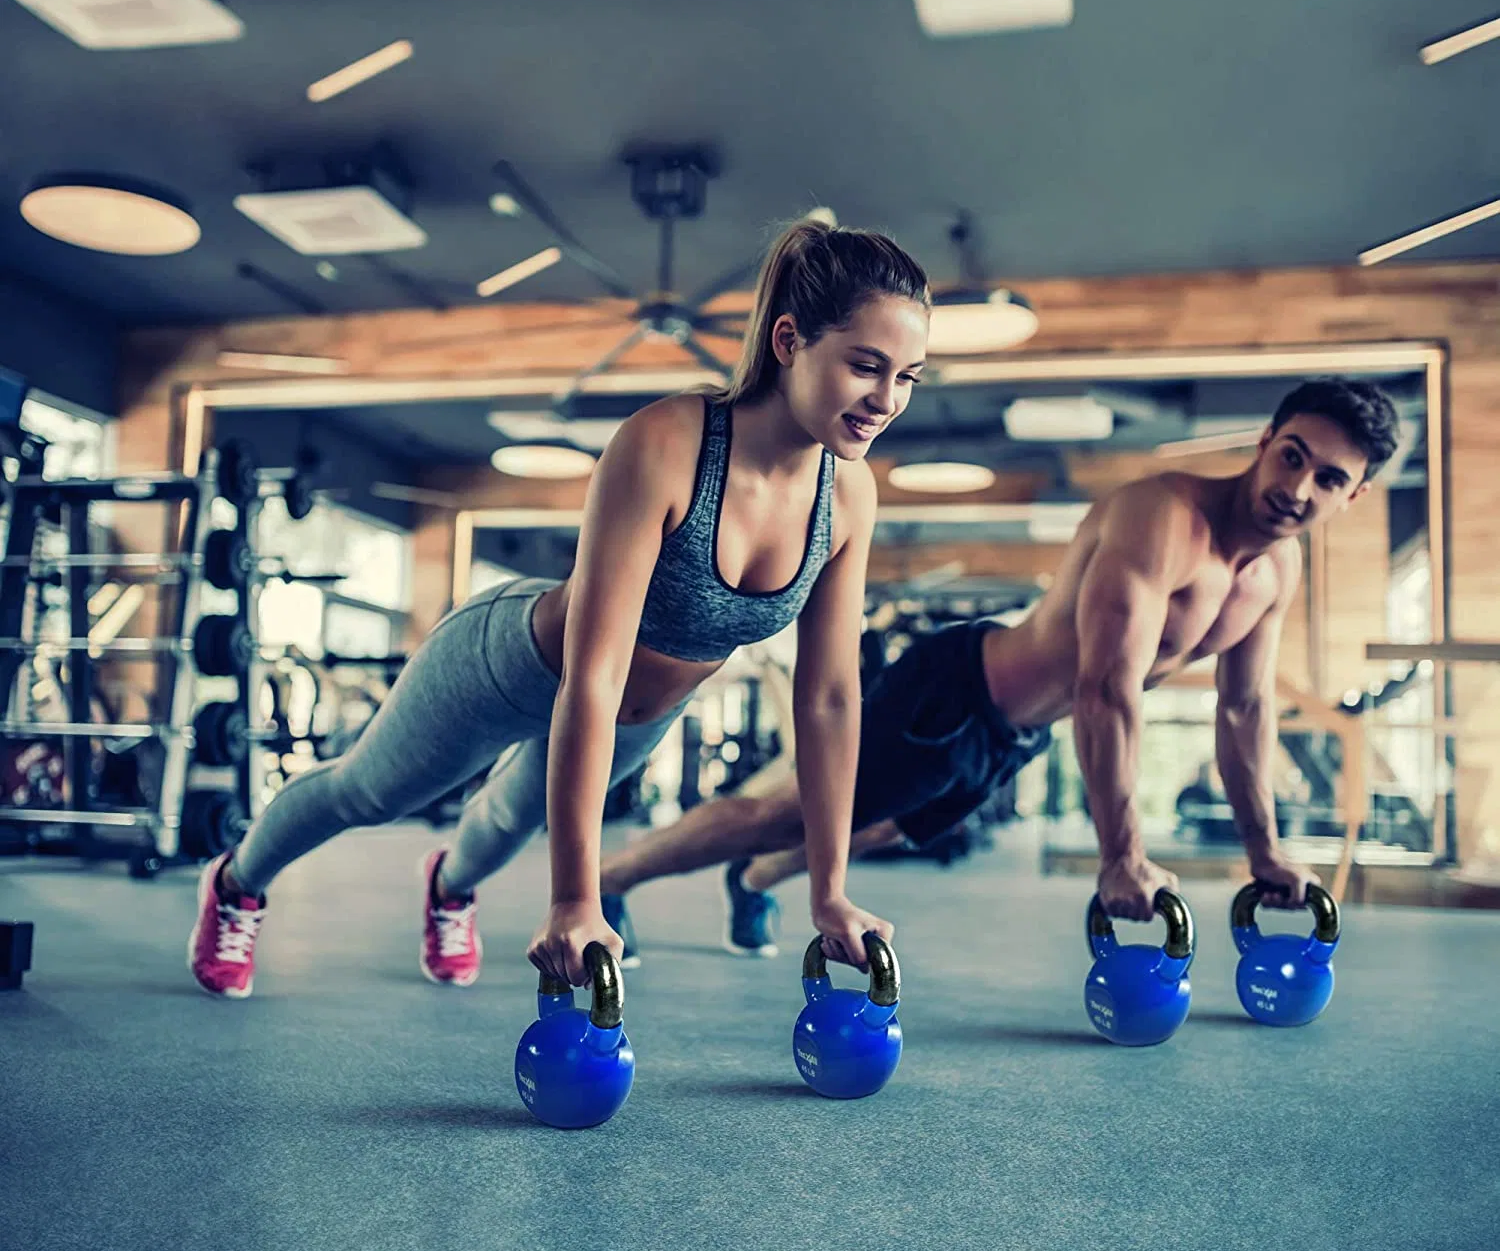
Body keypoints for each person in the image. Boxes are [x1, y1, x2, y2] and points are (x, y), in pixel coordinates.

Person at [187, 218, 931, 998]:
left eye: (908, 377)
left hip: (638, 719)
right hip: (514, 665)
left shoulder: (848, 495)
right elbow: (593, 675)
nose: (885, 400)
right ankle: (237, 881)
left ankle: (448, 887)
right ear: (788, 340)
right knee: (369, 792)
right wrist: (575, 899)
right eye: (866, 366)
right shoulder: (669, 444)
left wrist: (828, 889)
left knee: (506, 826)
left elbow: (829, 697)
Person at [596, 376, 1401, 952]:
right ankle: (613, 878)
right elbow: (1106, 686)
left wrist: (1264, 852)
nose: (1299, 486)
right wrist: (1121, 855)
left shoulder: (1275, 573)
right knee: (802, 815)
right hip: (957, 691)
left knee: (881, 830)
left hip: (1014, 734)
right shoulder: (1162, 518)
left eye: (1329, 479)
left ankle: (750, 883)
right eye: (1292, 456)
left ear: (1353, 497)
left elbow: (1243, 710)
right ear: (1264, 442)